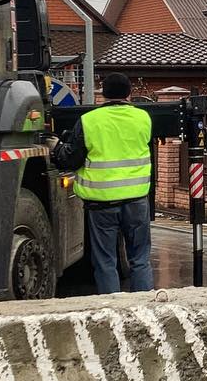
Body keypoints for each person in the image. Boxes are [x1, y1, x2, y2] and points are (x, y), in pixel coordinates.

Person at [51, 73, 155, 293]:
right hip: (137, 201)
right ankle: (146, 310)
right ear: (130, 94)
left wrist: (55, 146)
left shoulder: (90, 121)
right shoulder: (144, 118)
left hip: (102, 204)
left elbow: (71, 158)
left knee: (106, 261)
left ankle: (112, 312)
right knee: (140, 259)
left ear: (102, 94)